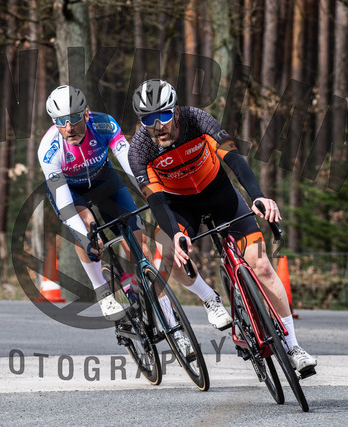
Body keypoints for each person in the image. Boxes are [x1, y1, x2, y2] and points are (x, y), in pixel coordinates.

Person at [128, 79, 317, 374]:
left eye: (163, 115)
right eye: (148, 119)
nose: (158, 125)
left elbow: (234, 159)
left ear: (175, 111)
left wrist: (257, 196)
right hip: (179, 206)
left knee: (262, 265)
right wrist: (175, 233)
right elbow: (156, 200)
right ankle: (210, 298)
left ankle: (293, 346)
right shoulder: (139, 151)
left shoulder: (197, 119)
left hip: (220, 194)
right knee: (168, 251)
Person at [38, 85, 160, 323]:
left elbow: (131, 167)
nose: (69, 128)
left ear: (86, 114)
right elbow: (65, 205)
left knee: (139, 246)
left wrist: (152, 196)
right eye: (61, 121)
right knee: (88, 230)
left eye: (74, 118)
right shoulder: (49, 149)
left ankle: (148, 294)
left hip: (104, 181)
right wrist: (85, 239)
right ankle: (102, 291)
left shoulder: (104, 125)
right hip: (72, 191)